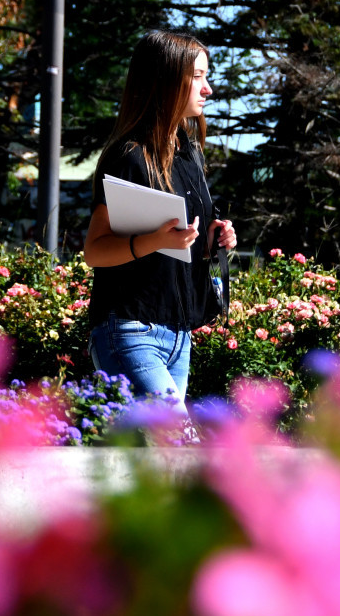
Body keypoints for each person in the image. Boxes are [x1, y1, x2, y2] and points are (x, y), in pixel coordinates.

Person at [84, 30, 237, 419]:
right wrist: (154, 239)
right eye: (199, 77)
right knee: (178, 446)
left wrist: (214, 239)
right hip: (131, 331)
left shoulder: (189, 155)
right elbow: (95, 250)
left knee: (160, 466)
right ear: (168, 79)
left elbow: (179, 245)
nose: (209, 89)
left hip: (178, 335)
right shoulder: (129, 157)